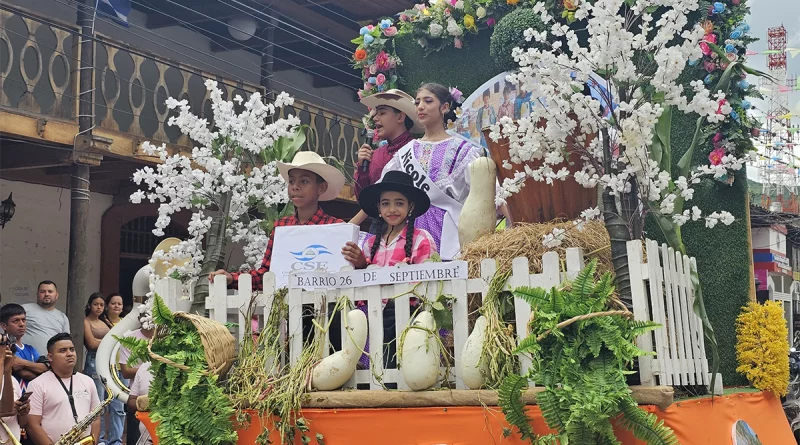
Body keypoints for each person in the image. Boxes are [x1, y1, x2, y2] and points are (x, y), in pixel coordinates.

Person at [380, 83, 494, 260]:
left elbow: (487, 194)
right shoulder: (405, 152)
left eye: (428, 101)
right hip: (411, 229)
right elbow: (383, 191)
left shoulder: (463, 150)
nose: (420, 107)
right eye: (417, 102)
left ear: (445, 107)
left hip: (451, 229)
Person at [208, 151, 347, 290]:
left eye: (304, 181)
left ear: (321, 188)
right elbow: (268, 275)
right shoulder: (281, 226)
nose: (295, 186)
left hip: (326, 308)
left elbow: (346, 273)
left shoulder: (337, 227)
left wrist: (359, 262)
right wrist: (232, 278)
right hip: (284, 307)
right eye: (291, 181)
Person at [342, 171, 436, 370]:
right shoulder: (369, 244)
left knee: (391, 319)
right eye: (385, 203)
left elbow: (425, 285)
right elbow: (361, 286)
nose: (392, 209)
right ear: (378, 207)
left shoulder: (421, 239)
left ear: (411, 206)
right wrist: (360, 265)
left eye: (399, 203)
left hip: (407, 312)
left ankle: (388, 374)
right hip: (371, 312)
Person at [351, 89, 422, 226]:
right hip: (379, 227)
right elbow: (363, 199)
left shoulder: (417, 150)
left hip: (412, 225)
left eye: (382, 113)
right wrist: (362, 168)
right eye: (376, 113)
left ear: (400, 117)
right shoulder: (375, 155)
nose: (375, 118)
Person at [26, 333, 101, 445]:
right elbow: (32, 425)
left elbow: (96, 418)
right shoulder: (37, 384)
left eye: (72, 349)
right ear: (50, 357)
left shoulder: (88, 381)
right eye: (63, 351)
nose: (69, 354)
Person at [0, 304, 47, 392]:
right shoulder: (4, 347)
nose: (21, 324)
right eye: (15, 321)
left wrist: (24, 363)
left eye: (23, 320)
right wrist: (40, 371)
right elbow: (24, 373)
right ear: (4, 325)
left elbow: (45, 368)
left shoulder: (31, 349)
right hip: (12, 396)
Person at [21, 281, 70, 355]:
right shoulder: (24, 309)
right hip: (25, 359)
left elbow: (65, 341)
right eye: (42, 291)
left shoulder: (62, 317)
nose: (46, 294)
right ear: (37, 294)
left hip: (52, 362)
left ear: (56, 295)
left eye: (50, 291)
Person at [1, 342, 30, 445]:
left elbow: (22, 423)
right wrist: (7, 410)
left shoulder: (13, 380)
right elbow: (6, 409)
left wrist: (23, 412)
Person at [126, 362, 153, 445]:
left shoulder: (182, 366)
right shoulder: (144, 367)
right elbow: (130, 401)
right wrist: (143, 403)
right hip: (145, 439)